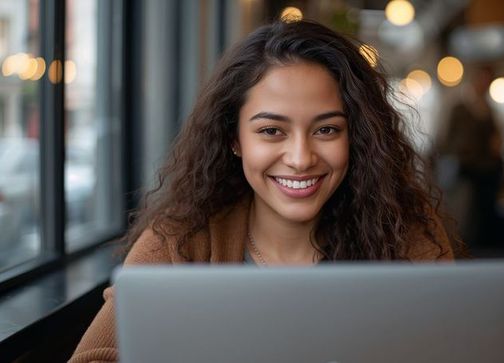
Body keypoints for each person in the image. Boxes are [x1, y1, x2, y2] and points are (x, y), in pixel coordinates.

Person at [68, 19, 456, 363]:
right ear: (234, 139)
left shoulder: (406, 234)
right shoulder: (180, 241)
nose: (301, 158)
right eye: (272, 131)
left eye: (327, 130)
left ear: (356, 138)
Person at [437, 66, 504, 254]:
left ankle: (481, 252)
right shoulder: (460, 108)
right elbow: (446, 140)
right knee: (464, 215)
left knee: (484, 216)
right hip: (465, 170)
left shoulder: (490, 111)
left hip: (488, 171)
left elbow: (496, 140)